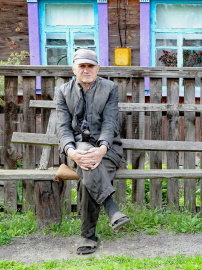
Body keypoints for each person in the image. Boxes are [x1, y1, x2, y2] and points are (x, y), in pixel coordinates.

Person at [55, 49, 130, 255]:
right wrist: (71, 152)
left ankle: (88, 236)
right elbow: (62, 128)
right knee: (86, 160)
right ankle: (111, 208)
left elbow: (110, 122)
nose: (86, 70)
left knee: (89, 168)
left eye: (90, 66)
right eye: (82, 66)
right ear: (74, 68)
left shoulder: (110, 88)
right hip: (75, 151)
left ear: (97, 68)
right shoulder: (63, 91)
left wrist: (102, 148)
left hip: (107, 150)